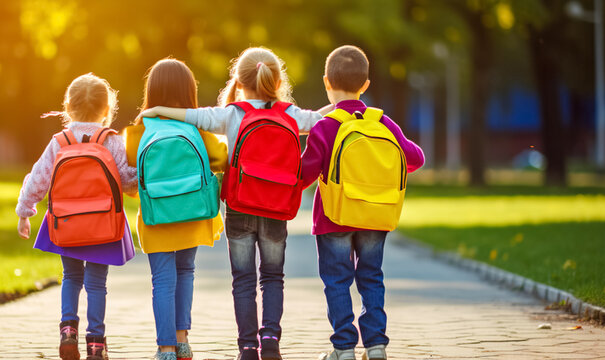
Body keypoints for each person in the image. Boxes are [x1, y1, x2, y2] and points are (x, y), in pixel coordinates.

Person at [139, 47, 333, 360]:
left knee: (243, 279)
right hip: (276, 207)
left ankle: (247, 347)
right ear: (276, 80)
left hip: (241, 206)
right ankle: (270, 338)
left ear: (238, 81)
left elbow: (194, 116)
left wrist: (157, 110)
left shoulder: (232, 114)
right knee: (273, 276)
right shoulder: (290, 115)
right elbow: (319, 120)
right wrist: (344, 104)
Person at [301, 45, 425, 360]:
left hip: (334, 218)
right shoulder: (382, 122)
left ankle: (343, 348)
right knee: (371, 276)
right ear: (365, 85)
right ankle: (376, 344)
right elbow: (415, 158)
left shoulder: (325, 126)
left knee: (337, 280)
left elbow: (304, 174)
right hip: (374, 215)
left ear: (326, 82)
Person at [16, 73, 138, 360]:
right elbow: (127, 180)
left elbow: (38, 179)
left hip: (66, 223)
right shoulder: (112, 141)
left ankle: (67, 330)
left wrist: (25, 211)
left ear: (68, 108)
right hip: (104, 225)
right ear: (107, 110)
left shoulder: (59, 142)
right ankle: (96, 343)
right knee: (97, 283)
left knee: (71, 276)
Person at [123, 58, 227, 360]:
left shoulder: (140, 130)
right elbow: (221, 157)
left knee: (162, 281)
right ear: (189, 92)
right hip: (193, 214)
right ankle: (182, 340)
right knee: (186, 272)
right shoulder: (194, 126)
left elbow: (132, 172)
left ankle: (165, 348)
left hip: (156, 218)